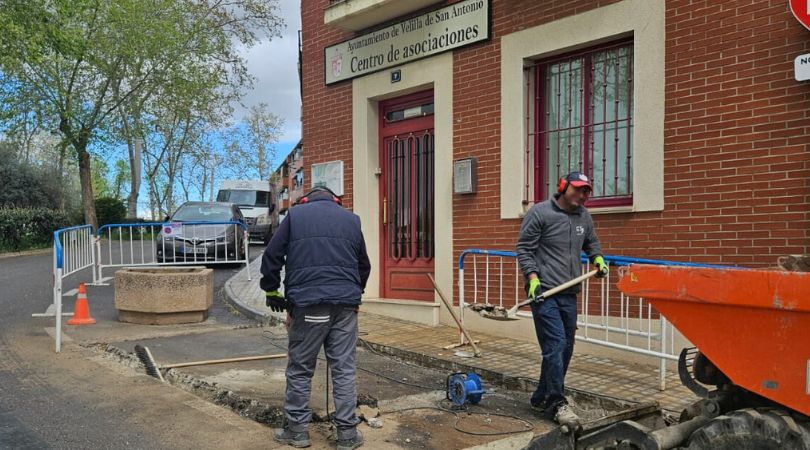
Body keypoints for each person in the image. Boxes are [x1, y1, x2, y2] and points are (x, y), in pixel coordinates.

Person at [260, 186, 371, 450]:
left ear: (305, 199)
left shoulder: (296, 216)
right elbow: (363, 265)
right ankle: (347, 436)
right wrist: (355, 295)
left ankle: (298, 432)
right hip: (346, 306)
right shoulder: (352, 220)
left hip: (309, 306)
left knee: (300, 369)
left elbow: (272, 255)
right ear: (336, 201)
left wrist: (272, 291)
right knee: (344, 369)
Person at [515, 171, 608, 429]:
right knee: (555, 345)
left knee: (565, 348)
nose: (582, 194)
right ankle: (557, 403)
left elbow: (591, 243)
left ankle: (540, 398)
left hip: (569, 292)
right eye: (577, 189)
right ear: (563, 186)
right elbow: (524, 249)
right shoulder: (541, 213)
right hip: (544, 293)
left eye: (586, 190)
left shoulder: (584, 216)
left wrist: (597, 258)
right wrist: (532, 278)